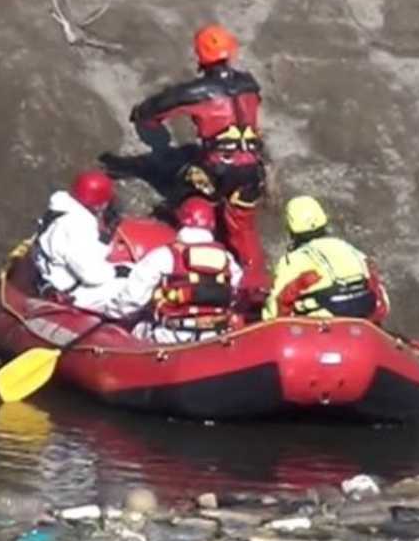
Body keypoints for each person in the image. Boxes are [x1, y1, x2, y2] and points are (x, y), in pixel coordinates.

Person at [129, 24, 269, 292]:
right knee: (244, 228)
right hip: (251, 168)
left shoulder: (197, 91)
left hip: (218, 167)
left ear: (200, 55)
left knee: (185, 200)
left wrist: (142, 117)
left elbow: (154, 109)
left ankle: (185, 267)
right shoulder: (249, 84)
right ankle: (256, 286)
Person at [111, 196, 243, 343]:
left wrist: (112, 311)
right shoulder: (228, 260)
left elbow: (131, 300)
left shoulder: (165, 255)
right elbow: (237, 294)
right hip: (215, 334)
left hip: (170, 335)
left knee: (132, 330)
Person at [263, 196, 389, 323]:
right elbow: (382, 302)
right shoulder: (352, 251)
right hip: (363, 325)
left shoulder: (293, 261)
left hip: (322, 330)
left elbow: (275, 312)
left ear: (291, 230)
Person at [33, 170, 131, 314]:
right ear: (99, 204)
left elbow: (79, 253)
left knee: (128, 269)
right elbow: (92, 275)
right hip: (69, 290)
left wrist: (104, 242)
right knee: (133, 286)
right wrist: (114, 272)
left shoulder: (62, 208)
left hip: (52, 275)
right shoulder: (78, 225)